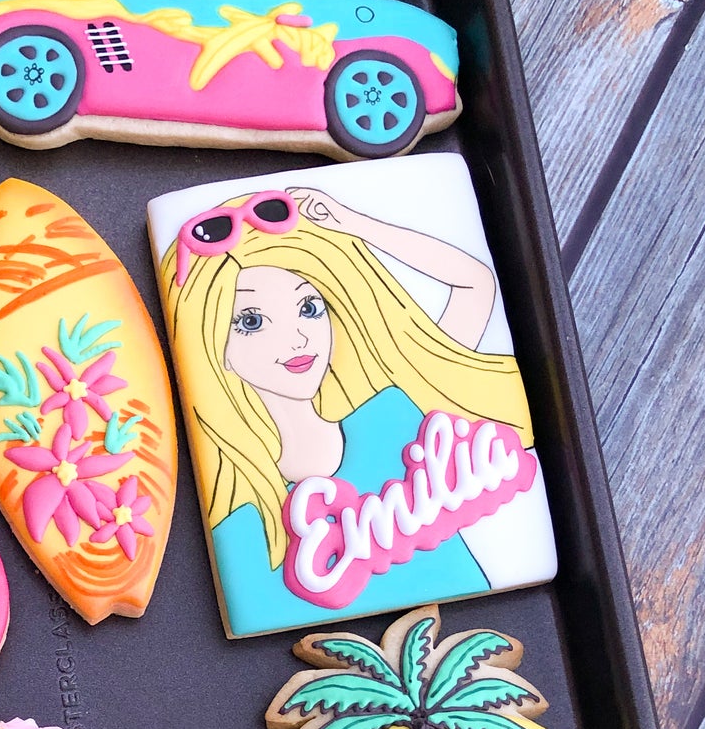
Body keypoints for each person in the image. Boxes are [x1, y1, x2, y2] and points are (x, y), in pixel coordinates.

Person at [160, 186, 536, 630]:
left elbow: (474, 284)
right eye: (252, 321)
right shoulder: (240, 514)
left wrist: (354, 224)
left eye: (309, 307)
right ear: (210, 342)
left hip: (484, 625)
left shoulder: (392, 413)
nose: (299, 338)